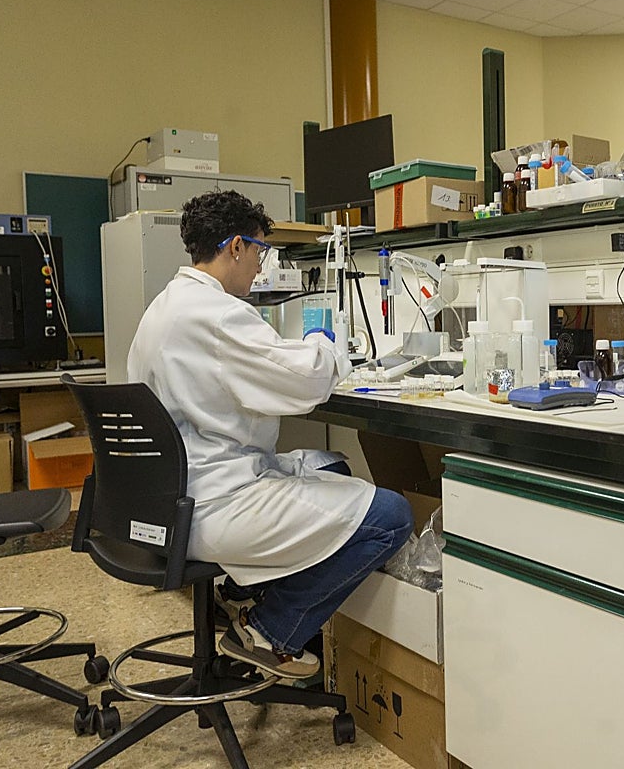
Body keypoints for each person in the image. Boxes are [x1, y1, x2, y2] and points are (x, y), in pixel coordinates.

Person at [127, 190, 412, 680]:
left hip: (166, 500)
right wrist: (327, 344)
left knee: (332, 466)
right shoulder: (215, 314)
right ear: (235, 247)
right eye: (260, 250)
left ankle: (240, 593)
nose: (260, 266)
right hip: (212, 505)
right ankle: (268, 630)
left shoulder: (166, 306)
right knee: (390, 515)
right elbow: (302, 379)